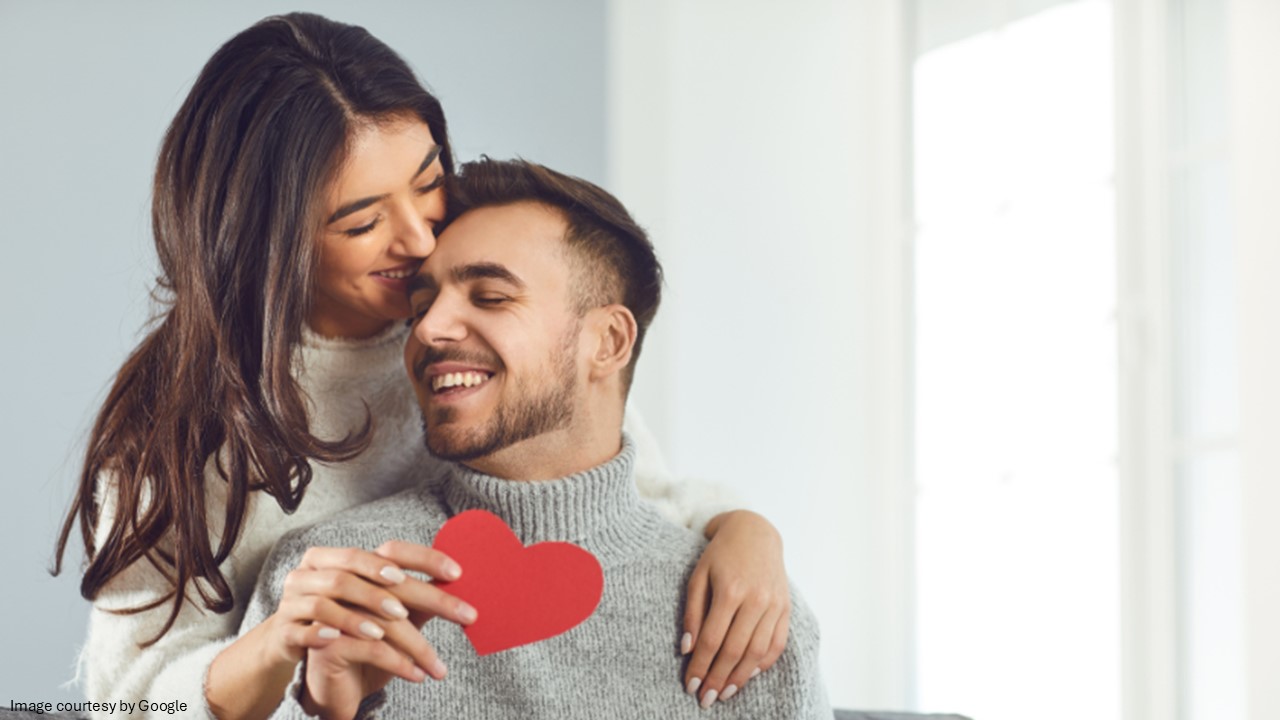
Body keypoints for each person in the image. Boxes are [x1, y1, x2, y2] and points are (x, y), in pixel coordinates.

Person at [53, 13, 790, 720]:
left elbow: (627, 497)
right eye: (362, 222)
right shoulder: (182, 433)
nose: (419, 236)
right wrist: (277, 645)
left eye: (430, 178)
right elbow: (124, 702)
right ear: (270, 239)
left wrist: (746, 531)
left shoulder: (495, 345)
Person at [241, 157, 830, 719]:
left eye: (491, 297)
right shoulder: (329, 583)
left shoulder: (748, 613)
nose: (428, 329)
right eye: (421, 305)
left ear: (608, 342)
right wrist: (323, 712)